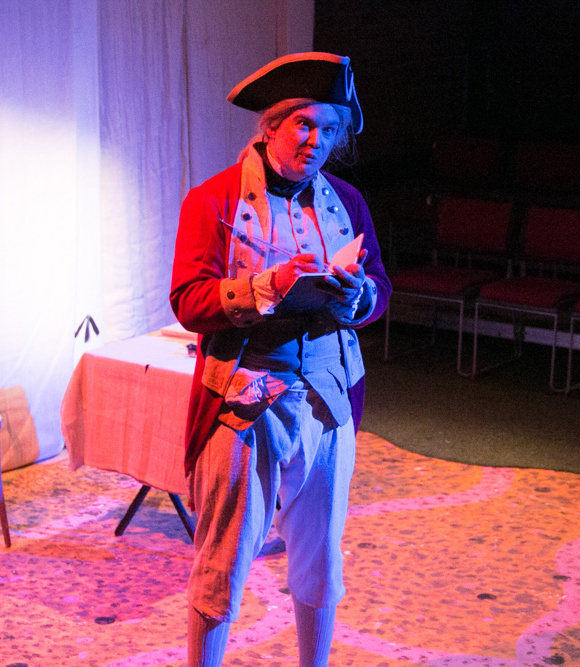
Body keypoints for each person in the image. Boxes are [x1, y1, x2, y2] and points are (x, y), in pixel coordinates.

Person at [170, 52, 391, 667]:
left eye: (330, 129)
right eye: (304, 124)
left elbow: (379, 286)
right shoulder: (214, 199)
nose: (317, 141)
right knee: (223, 562)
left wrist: (358, 295)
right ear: (271, 126)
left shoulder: (347, 200)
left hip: (326, 398)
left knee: (320, 558)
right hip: (245, 402)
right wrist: (268, 284)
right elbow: (188, 300)